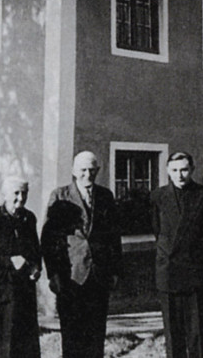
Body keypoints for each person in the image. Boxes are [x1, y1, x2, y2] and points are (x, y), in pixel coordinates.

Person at [41, 151, 122, 358]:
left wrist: (115, 271)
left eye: (92, 170)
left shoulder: (105, 196)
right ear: (74, 172)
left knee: (96, 333)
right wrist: (54, 275)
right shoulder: (60, 196)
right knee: (72, 334)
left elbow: (114, 237)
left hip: (99, 274)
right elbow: (49, 240)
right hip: (71, 276)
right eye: (83, 170)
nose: (88, 174)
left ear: (97, 171)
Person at [151, 152, 203, 358]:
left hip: (196, 272)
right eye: (174, 170)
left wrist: (196, 255)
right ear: (167, 171)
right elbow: (158, 230)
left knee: (198, 331)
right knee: (173, 334)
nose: (179, 175)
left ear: (192, 170)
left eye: (184, 170)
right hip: (168, 272)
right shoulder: (158, 196)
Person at [0, 176, 42, 358]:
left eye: (24, 193)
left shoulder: (29, 219)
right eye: (16, 193)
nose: (20, 198)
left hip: (23, 294)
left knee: (23, 345)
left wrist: (36, 268)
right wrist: (9, 261)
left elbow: (35, 251)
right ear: (5, 194)